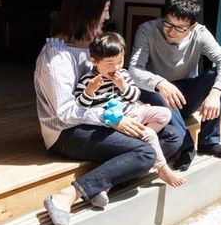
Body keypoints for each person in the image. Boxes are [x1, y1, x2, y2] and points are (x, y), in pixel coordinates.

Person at [34, 0, 190, 225]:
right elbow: (64, 113)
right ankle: (68, 195)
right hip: (66, 131)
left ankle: (105, 181)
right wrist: (113, 120)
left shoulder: (97, 44)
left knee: (173, 136)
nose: (108, 16)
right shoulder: (57, 55)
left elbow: (120, 80)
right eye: (104, 10)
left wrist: (129, 108)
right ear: (85, 12)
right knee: (146, 152)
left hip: (104, 117)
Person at [128, 0, 221, 160]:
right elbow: (134, 70)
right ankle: (185, 147)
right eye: (168, 24)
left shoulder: (199, 33)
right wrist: (160, 83)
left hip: (184, 95)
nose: (171, 31)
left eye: (180, 28)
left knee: (217, 77)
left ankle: (209, 141)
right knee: (160, 93)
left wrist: (215, 93)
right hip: (156, 94)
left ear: (192, 27)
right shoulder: (147, 30)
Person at [77, 31, 183, 190]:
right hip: (117, 120)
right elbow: (81, 105)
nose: (116, 67)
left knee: (165, 113)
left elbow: (135, 95)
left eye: (120, 61)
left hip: (135, 111)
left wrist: (123, 86)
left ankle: (139, 138)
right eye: (110, 64)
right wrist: (90, 91)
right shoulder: (88, 80)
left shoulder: (123, 74)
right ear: (94, 61)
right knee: (150, 134)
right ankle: (162, 168)